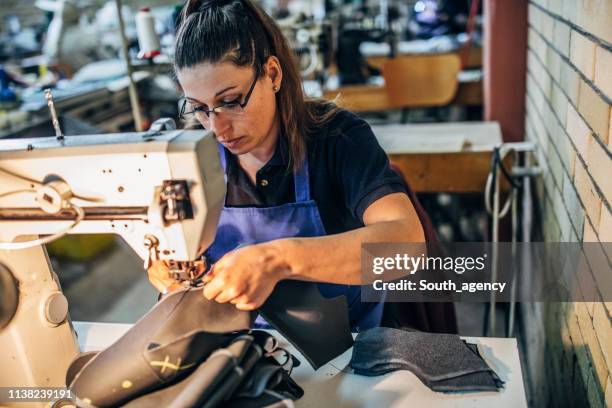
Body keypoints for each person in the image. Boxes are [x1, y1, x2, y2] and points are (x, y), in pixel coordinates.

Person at [148, 0, 425, 331]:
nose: (217, 128)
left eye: (230, 102)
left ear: (272, 74)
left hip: (354, 350)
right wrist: (167, 269)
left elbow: (407, 246)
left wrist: (276, 259)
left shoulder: (338, 139)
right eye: (199, 108)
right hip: (246, 348)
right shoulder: (190, 157)